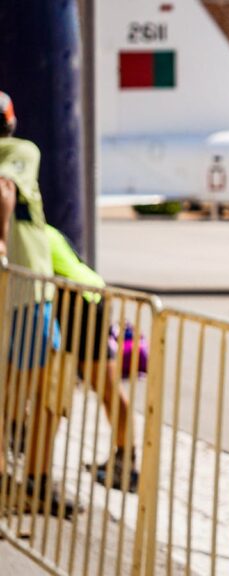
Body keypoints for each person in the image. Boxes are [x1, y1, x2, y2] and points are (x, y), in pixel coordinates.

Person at [0, 90, 78, 519]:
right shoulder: (20, 150)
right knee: (52, 389)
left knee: (14, 390)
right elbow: (5, 186)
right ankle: (35, 481)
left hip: (17, 293)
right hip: (27, 293)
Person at [46, 224, 139, 493]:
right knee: (105, 387)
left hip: (81, 301)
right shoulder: (39, 226)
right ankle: (125, 459)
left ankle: (126, 463)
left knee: (104, 386)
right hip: (84, 296)